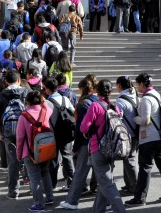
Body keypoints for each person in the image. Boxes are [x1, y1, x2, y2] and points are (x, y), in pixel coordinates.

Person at [124, 73, 161, 207]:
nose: (137, 87)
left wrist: (135, 119)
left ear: (142, 84)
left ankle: (140, 198)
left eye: (138, 84)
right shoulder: (156, 94)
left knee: (145, 168)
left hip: (149, 138)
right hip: (160, 136)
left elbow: (146, 120)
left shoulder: (146, 99)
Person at [78, 80, 126, 213]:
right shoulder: (113, 106)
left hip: (97, 148)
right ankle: (98, 210)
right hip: (112, 148)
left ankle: (120, 210)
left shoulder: (95, 106)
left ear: (96, 91)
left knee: (107, 183)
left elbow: (84, 127)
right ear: (110, 92)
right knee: (104, 181)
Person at [59, 79, 97, 210]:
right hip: (100, 141)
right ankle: (108, 200)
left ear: (81, 89)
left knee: (80, 173)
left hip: (87, 142)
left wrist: (75, 148)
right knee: (103, 175)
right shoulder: (98, 101)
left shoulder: (83, 104)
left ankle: (72, 201)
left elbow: (81, 129)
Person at [0, 69, 30, 200]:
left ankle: (13, 191)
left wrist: (0, 133)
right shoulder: (26, 92)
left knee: (13, 162)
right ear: (19, 80)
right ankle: (32, 187)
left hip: (9, 131)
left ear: (6, 82)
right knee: (28, 158)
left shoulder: (1, 96)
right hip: (26, 130)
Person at [16, 90, 54, 212]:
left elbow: (20, 138)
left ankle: (39, 204)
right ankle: (49, 197)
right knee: (45, 172)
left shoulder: (24, 116)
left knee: (34, 178)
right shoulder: (47, 110)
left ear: (27, 101)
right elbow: (47, 106)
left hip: (30, 152)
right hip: (46, 147)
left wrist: (19, 154)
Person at [114, 76, 139, 195]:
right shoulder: (134, 94)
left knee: (130, 160)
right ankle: (129, 184)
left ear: (119, 85)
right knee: (128, 159)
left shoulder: (120, 100)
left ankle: (134, 187)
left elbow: (117, 118)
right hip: (136, 131)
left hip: (127, 133)